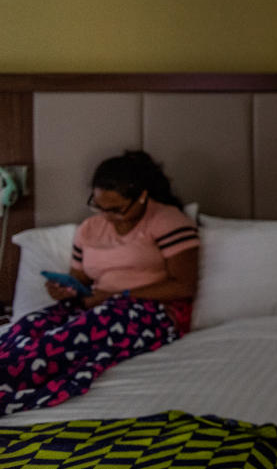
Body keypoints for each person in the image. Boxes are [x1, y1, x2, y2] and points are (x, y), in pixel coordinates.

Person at [0, 151, 199, 416]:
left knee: (63, 340)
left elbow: (184, 286)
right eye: (99, 206)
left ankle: (10, 378)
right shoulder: (90, 228)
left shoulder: (168, 221)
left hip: (151, 310)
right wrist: (65, 290)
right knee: (27, 326)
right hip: (93, 303)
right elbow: (80, 278)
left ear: (141, 196)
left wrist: (117, 295)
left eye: (116, 209)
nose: (107, 216)